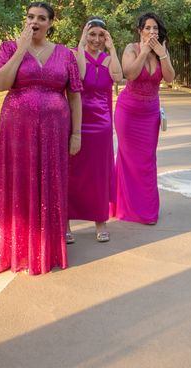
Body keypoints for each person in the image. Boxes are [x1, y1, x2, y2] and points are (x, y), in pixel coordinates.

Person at [0, 1, 82, 275]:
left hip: (55, 132)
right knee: (17, 183)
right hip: (16, 132)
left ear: (51, 23)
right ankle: (15, 250)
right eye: (30, 16)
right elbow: (1, 83)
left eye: (41, 18)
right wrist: (20, 49)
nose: (35, 22)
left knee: (50, 185)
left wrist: (76, 133)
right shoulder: (8, 48)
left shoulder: (65, 54)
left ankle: (46, 249)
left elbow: (74, 97)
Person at [113, 13, 175, 225]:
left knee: (147, 161)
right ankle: (124, 207)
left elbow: (169, 79)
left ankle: (146, 211)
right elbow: (129, 74)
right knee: (127, 158)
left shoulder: (161, 51)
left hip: (150, 114)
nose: (152, 32)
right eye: (148, 28)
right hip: (128, 112)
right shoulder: (132, 49)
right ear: (140, 31)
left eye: (155, 28)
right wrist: (144, 52)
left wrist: (162, 54)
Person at [67, 17, 122, 243]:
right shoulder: (74, 55)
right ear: (85, 34)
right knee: (73, 174)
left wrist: (113, 49)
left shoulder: (108, 61)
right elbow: (78, 77)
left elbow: (119, 77)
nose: (96, 39)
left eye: (101, 35)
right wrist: (81, 44)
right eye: (92, 34)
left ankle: (100, 222)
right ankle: (66, 223)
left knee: (99, 175)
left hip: (101, 126)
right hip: (77, 123)